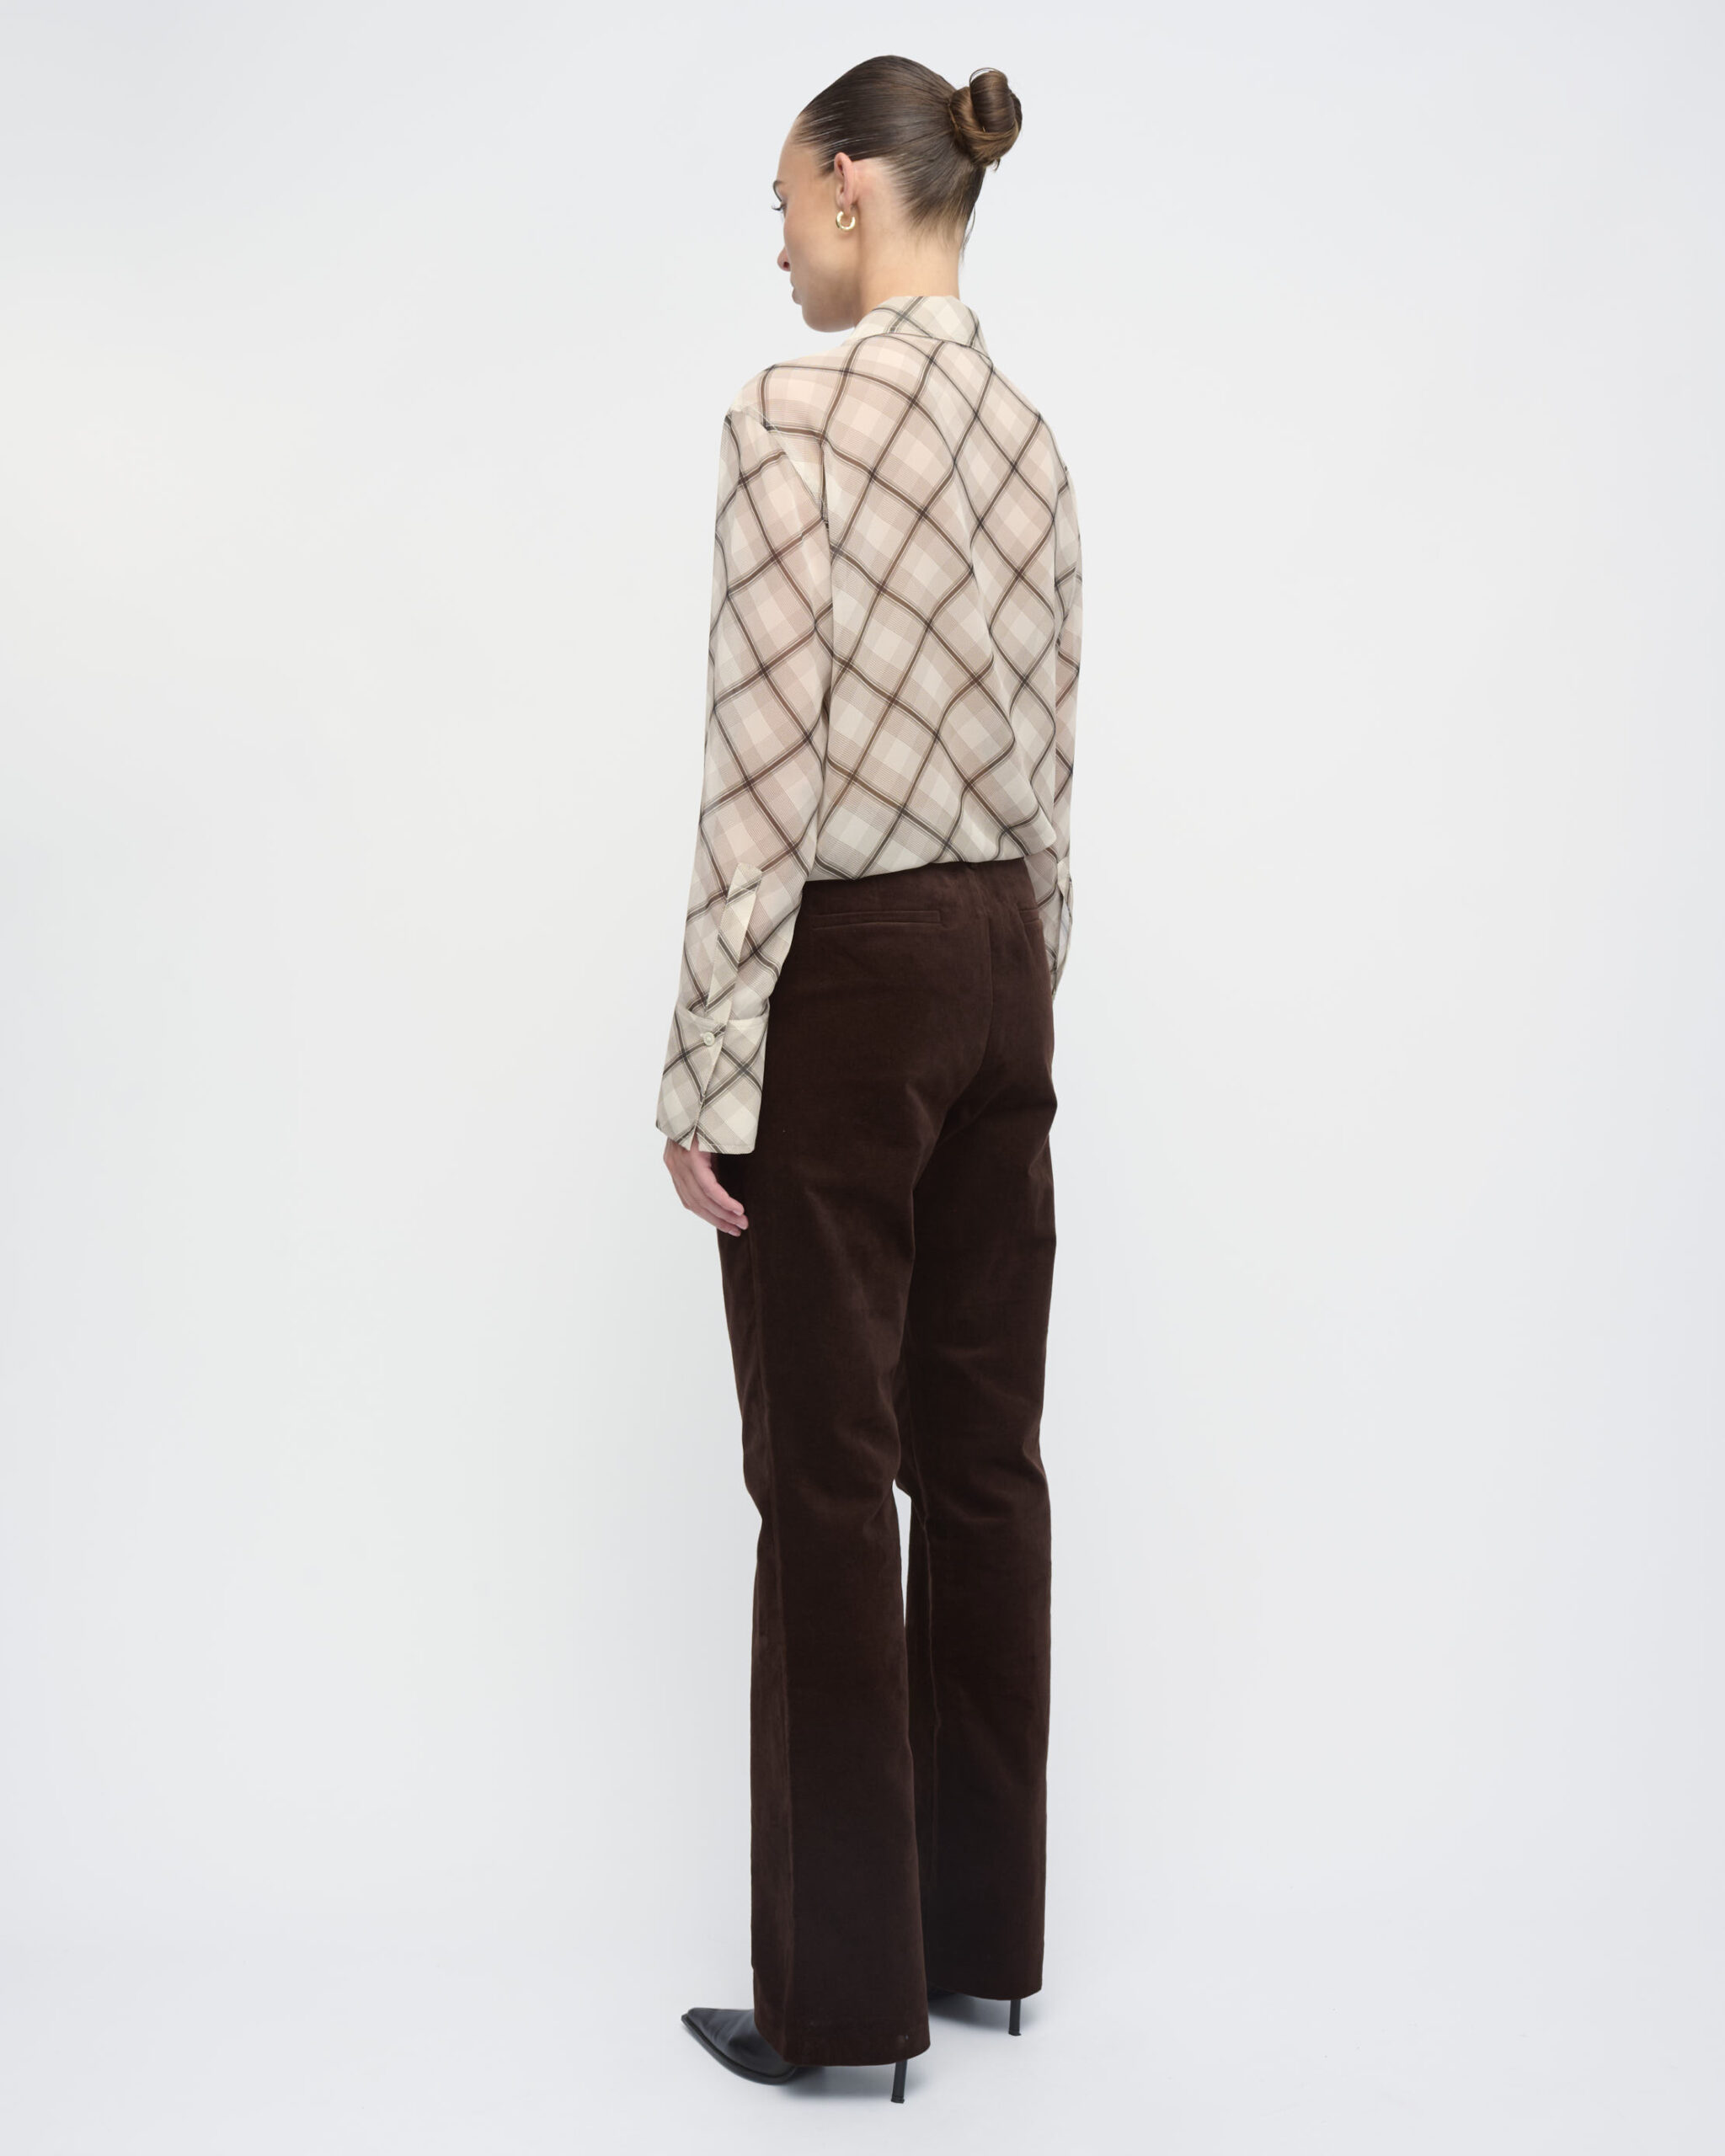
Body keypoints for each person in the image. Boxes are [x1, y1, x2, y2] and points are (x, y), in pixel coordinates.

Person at [654, 53, 1081, 2104]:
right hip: (1002, 960)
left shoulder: (790, 418)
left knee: (828, 1474)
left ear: (849, 187)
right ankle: (984, 1943)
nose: (775, 245)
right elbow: (1056, 756)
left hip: (853, 969)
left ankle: (840, 2005)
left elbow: (760, 764)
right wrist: (1027, 987)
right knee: (982, 1453)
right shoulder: (1034, 442)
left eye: (780, 203)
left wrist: (703, 1061)